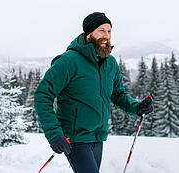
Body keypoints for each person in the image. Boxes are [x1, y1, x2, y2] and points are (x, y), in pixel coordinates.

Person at [34, 12, 153, 173]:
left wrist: (137, 107)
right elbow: (43, 95)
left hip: (98, 138)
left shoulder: (110, 63)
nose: (107, 35)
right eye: (101, 30)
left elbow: (117, 94)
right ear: (89, 34)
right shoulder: (69, 61)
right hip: (75, 139)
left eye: (109, 31)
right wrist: (54, 134)